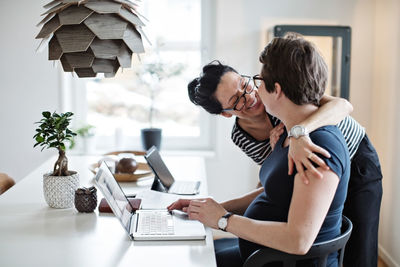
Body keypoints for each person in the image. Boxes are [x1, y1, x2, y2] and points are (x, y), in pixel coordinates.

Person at [169, 34, 350, 267]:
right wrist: (209, 209)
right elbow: (276, 191)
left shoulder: (315, 149)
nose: (254, 92)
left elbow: (299, 240)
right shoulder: (287, 132)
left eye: (257, 81)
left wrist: (223, 220)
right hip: (266, 255)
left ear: (277, 90)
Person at [187, 60, 382, 267]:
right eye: (237, 100)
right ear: (226, 113)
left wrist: (299, 132)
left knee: (360, 247)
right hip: (314, 174)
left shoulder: (274, 92)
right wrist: (212, 210)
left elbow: (343, 105)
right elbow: (273, 182)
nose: (251, 97)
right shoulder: (241, 135)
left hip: (355, 160)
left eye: (244, 84)